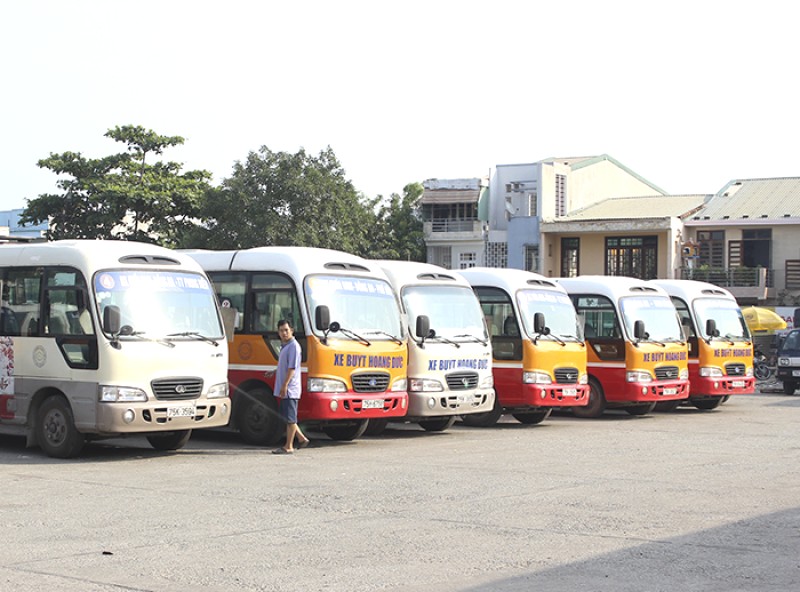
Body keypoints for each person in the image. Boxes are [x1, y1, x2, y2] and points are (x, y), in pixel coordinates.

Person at [271, 319, 310, 454]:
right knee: (288, 417)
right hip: (286, 387)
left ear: (292, 331)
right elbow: (284, 365)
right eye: (281, 331)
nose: (284, 333)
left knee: (290, 419)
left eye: (286, 330)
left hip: (290, 388)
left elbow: (292, 368)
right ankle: (302, 438)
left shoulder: (294, 346)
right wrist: (274, 372)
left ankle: (289, 446)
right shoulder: (285, 345)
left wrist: (285, 385)